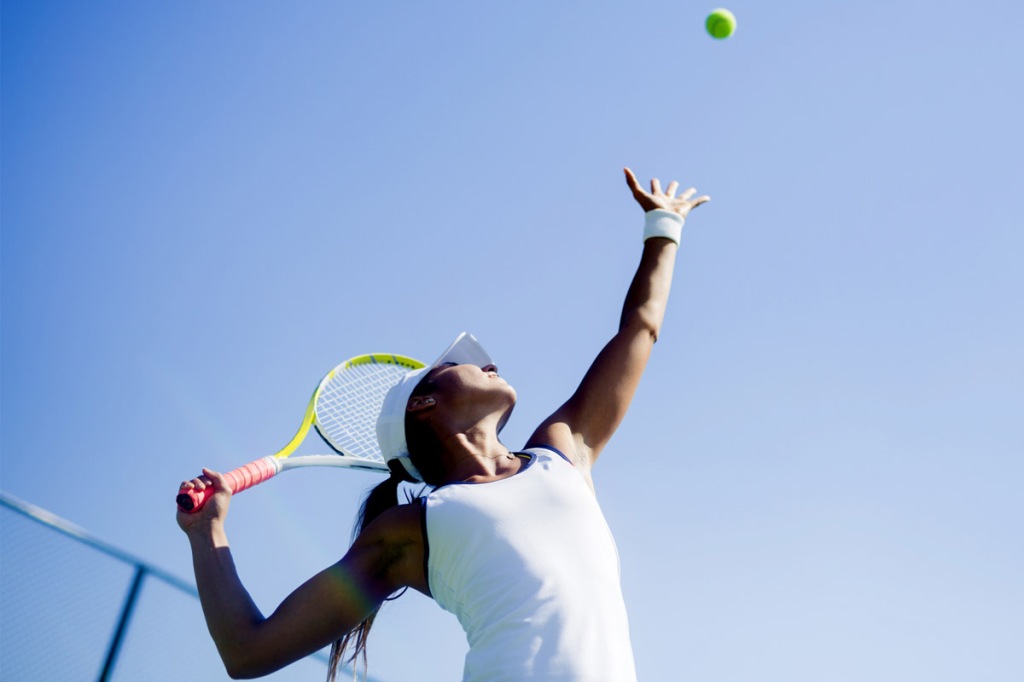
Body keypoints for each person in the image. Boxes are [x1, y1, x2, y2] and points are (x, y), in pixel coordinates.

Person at [177, 167, 710, 681]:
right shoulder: (409, 530)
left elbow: (640, 329)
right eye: (461, 362)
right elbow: (247, 652)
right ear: (423, 404)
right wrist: (207, 532)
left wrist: (663, 226)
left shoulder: (562, 449)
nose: (488, 362)